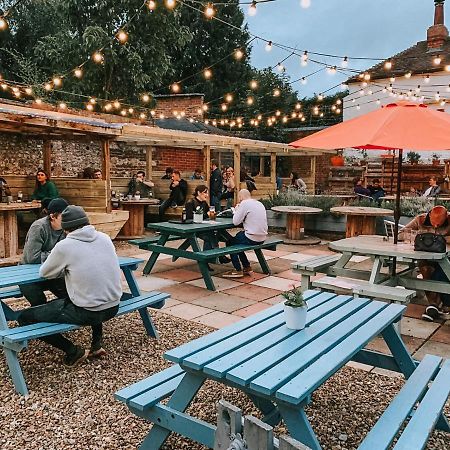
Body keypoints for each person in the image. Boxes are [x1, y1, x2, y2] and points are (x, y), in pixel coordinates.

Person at [17, 205, 123, 366]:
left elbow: (45, 273)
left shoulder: (65, 246)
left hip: (87, 312)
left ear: (66, 228)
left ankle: (73, 351)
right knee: (89, 293)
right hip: (113, 306)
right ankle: (96, 344)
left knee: (25, 317)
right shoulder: (104, 238)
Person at [399, 205, 450, 322]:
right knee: (425, 268)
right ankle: (435, 305)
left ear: (446, 217)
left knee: (443, 270)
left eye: (439, 223)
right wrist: (419, 237)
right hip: (426, 257)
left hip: (446, 256)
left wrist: (443, 239)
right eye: (433, 223)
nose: (436, 226)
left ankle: (437, 306)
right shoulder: (420, 219)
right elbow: (401, 233)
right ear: (429, 215)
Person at [19, 198, 69, 306]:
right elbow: (32, 258)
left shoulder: (67, 229)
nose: (68, 219)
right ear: (52, 216)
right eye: (64, 216)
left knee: (70, 296)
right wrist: (56, 255)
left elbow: (69, 254)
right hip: (27, 273)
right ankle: (29, 319)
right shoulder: (39, 227)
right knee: (39, 302)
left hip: (51, 271)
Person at [223, 189, 268, 278]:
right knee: (238, 240)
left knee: (230, 242)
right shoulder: (259, 203)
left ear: (241, 197)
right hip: (262, 237)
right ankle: (247, 267)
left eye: (239, 198)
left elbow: (235, 222)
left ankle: (237, 270)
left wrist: (236, 210)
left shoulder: (244, 204)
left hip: (252, 237)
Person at [185, 185, 230, 267]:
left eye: (207, 192)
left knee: (216, 233)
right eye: (205, 192)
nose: (207, 195)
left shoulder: (204, 203)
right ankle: (214, 257)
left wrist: (212, 215)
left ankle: (214, 256)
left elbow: (207, 215)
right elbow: (189, 218)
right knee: (211, 236)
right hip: (194, 229)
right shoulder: (190, 203)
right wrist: (204, 216)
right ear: (198, 193)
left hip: (205, 227)